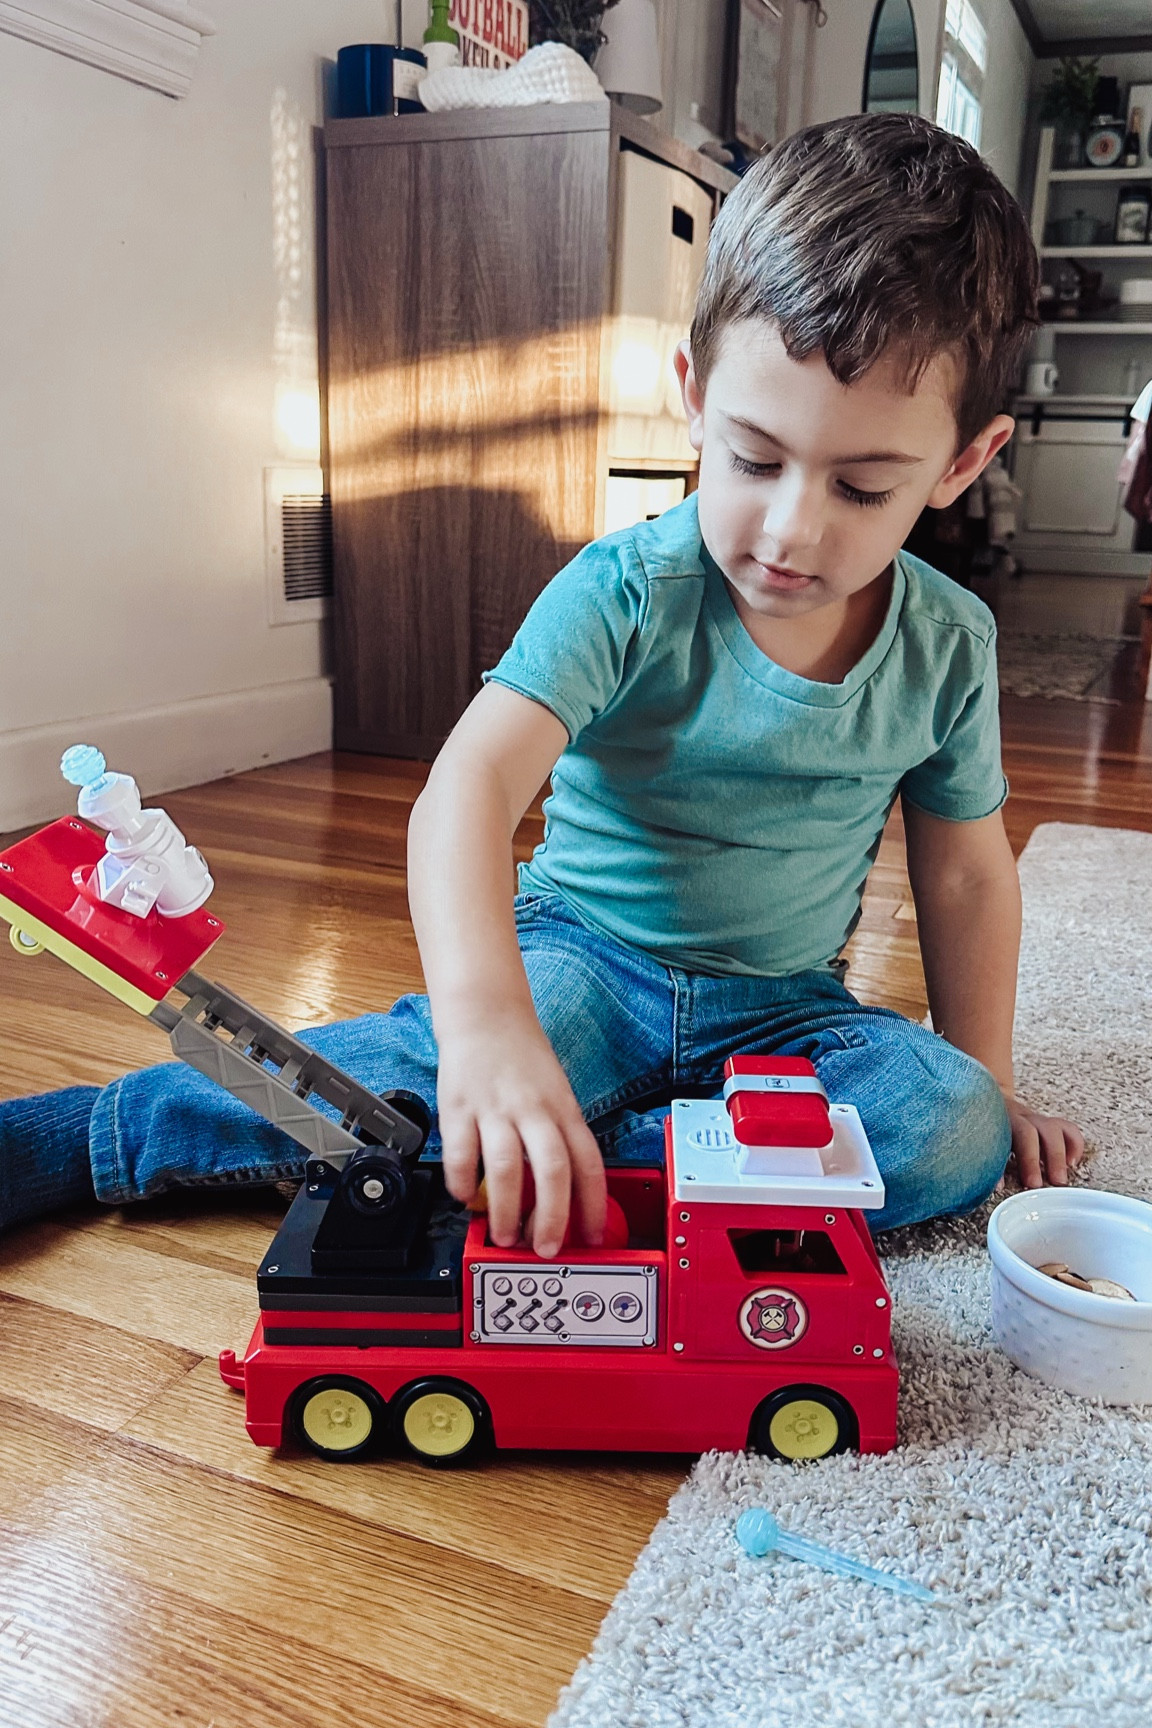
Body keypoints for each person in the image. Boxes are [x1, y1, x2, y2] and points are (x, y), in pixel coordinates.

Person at [0, 113, 1084, 1258]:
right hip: (582, 956)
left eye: (863, 489)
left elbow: (964, 876)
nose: (790, 528)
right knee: (418, 1074)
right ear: (695, 395)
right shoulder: (626, 589)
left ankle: (535, 1156)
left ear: (963, 463)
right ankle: (85, 1137)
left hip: (786, 1007)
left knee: (944, 1126)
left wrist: (991, 1079)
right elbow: (467, 786)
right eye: (754, 460)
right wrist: (488, 1027)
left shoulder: (949, 642)